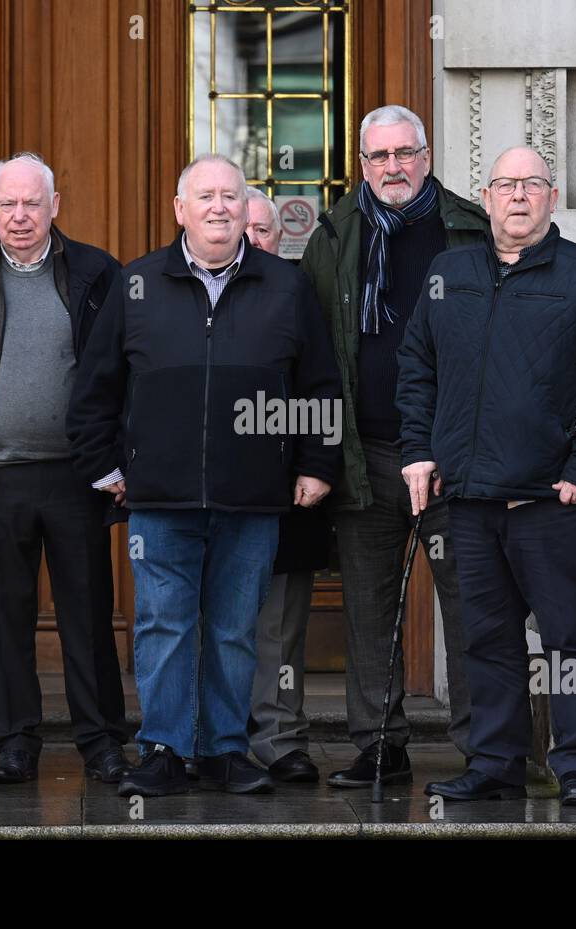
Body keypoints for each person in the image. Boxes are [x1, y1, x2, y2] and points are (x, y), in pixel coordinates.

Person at [66, 154, 342, 797]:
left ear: (248, 210)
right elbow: (94, 391)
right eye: (205, 196)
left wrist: (317, 463)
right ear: (180, 210)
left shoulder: (286, 285)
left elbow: (320, 383)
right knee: (163, 625)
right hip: (158, 497)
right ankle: (163, 748)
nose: (219, 207)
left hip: (254, 495)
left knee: (233, 627)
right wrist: (104, 466)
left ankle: (223, 750)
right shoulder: (136, 285)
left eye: (231, 196)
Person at [396, 146, 576, 804]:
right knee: (487, 639)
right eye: (506, 184)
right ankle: (496, 763)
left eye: (531, 185)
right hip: (469, 498)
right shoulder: (448, 272)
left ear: (551, 197)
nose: (518, 196)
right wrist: (418, 450)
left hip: (551, 500)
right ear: (486, 195)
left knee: (568, 640)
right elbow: (416, 366)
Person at [0, 152, 131, 785]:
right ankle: (14, 741)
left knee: (88, 616)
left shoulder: (97, 274)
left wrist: (117, 459)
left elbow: (127, 371)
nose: (18, 216)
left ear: (54, 206)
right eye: (6, 203)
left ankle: (101, 742)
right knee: (3, 617)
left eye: (31, 203)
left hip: (77, 476)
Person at [299, 104, 490, 788]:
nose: (392, 167)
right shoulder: (335, 232)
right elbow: (315, 347)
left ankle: (486, 747)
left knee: (472, 602)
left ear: (427, 156)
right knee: (369, 607)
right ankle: (380, 744)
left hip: (455, 453)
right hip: (368, 450)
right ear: (362, 165)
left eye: (404, 153)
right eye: (378, 157)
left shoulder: (471, 228)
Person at [244, 186, 331, 783]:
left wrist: (317, 464)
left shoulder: (298, 291)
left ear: (280, 238)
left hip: (285, 492)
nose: (251, 240)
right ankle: (203, 739)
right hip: (196, 495)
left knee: (279, 628)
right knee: (197, 623)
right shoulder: (173, 288)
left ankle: (279, 738)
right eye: (241, 227)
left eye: (262, 230)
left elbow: (323, 384)